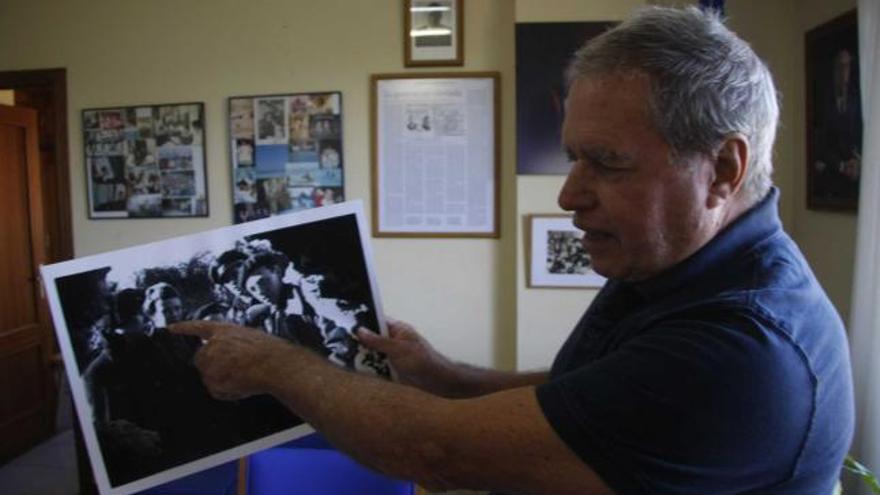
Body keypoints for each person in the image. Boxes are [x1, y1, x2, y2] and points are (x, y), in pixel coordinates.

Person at [172, 7, 854, 494]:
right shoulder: (675, 260)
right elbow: (588, 398)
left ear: (724, 170)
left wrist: (272, 362)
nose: (568, 195)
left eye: (608, 163)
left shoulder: (740, 347)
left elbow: (433, 450)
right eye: (572, 158)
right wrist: (445, 372)